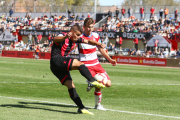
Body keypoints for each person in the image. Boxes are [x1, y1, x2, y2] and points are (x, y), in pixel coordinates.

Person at [50, 24, 105, 115]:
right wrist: (65, 37)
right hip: (56, 60)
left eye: (80, 35)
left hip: (56, 67)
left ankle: (81, 107)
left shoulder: (76, 39)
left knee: (71, 86)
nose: (79, 37)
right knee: (80, 64)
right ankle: (91, 80)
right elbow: (55, 39)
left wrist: (99, 44)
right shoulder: (63, 35)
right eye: (77, 34)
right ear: (71, 32)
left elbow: (88, 41)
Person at [79, 18, 117, 111]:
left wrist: (110, 60)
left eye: (92, 27)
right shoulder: (79, 37)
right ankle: (98, 105)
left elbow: (101, 49)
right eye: (88, 27)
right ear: (84, 27)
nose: (90, 29)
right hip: (86, 65)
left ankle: (91, 82)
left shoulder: (96, 35)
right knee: (99, 83)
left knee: (108, 84)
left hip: (96, 64)